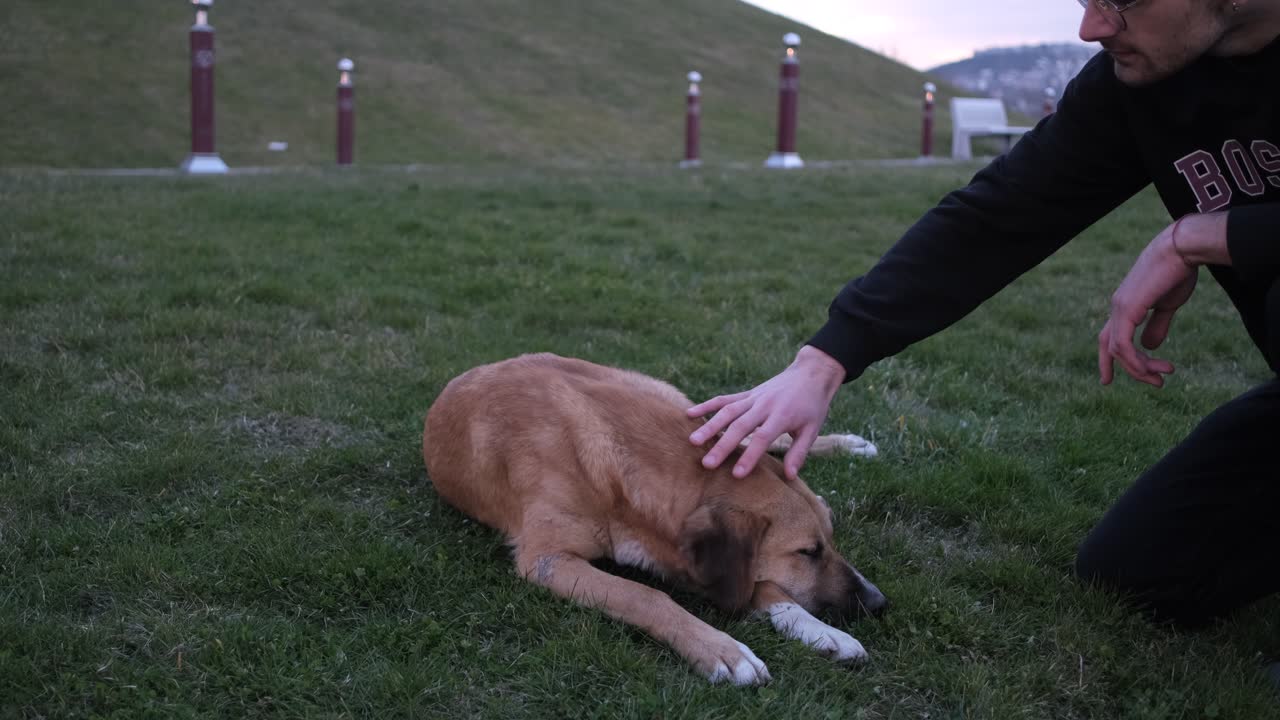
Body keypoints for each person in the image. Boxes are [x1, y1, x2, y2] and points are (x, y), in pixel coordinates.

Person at [688, 0, 1280, 633]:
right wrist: (826, 358)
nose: (1093, 28)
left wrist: (1208, 235)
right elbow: (996, 218)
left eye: (1123, 1)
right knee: (1137, 574)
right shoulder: (1139, 82)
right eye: (1085, 1)